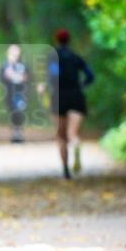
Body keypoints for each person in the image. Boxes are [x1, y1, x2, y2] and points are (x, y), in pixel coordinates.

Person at [47, 29, 95, 179]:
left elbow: (53, 76)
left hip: (59, 97)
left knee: (61, 136)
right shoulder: (76, 58)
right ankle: (76, 144)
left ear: (56, 40)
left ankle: (66, 170)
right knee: (72, 133)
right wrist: (81, 86)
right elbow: (90, 76)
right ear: (69, 40)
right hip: (76, 96)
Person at [0, 44, 30, 143]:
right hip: (9, 93)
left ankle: (19, 132)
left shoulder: (23, 65)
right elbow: (2, 78)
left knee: (19, 111)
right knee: (12, 112)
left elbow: (27, 77)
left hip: (20, 93)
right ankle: (15, 132)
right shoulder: (5, 66)